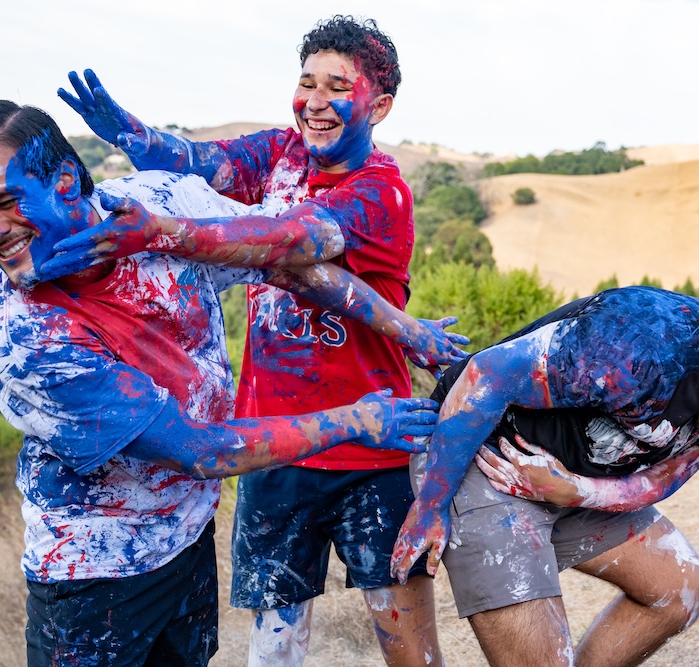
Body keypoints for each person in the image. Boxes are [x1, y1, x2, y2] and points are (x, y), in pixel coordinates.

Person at [0, 99, 464, 667]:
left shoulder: (159, 203)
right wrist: (357, 419)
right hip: (95, 579)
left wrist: (406, 331)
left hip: (188, 540)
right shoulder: (29, 342)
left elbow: (285, 264)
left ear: (63, 181)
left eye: (6, 202)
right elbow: (199, 449)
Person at [59, 15, 446, 666]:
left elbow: (287, 242)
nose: (315, 102)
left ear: (378, 105)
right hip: (272, 452)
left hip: (373, 449)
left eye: (337, 86)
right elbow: (201, 163)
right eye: (306, 82)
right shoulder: (277, 154)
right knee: (274, 650)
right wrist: (129, 131)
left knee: (410, 650)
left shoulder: (382, 192)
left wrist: (158, 229)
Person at [390, 286, 699, 667]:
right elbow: (483, 377)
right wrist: (431, 505)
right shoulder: (650, 346)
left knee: (682, 590)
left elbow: (662, 480)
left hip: (564, 482)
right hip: (486, 458)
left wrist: (574, 490)